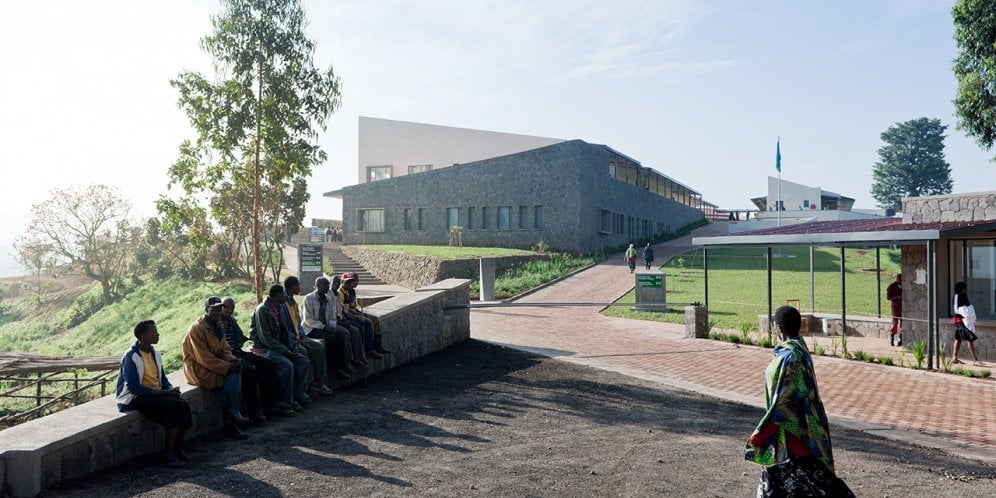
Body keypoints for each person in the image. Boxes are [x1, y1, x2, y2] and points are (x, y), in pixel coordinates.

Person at [745, 306, 852, 496]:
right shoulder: (799, 350)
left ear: (778, 327)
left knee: (804, 485)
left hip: (797, 432)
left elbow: (785, 402)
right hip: (808, 427)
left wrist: (762, 433)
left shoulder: (790, 357)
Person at [116, 320, 193, 467]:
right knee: (174, 407)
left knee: (183, 404)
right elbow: (133, 388)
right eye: (154, 332)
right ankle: (169, 454)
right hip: (135, 397)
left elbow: (162, 378)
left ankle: (177, 448)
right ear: (143, 336)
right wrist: (164, 393)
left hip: (154, 393)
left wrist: (171, 389)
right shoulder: (131, 356)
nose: (157, 334)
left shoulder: (155, 353)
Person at [181, 296, 249, 440]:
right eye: (215, 309)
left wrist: (233, 360)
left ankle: (233, 417)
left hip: (215, 364)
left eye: (220, 309)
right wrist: (227, 366)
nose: (218, 312)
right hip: (199, 368)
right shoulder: (197, 329)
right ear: (206, 310)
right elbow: (203, 357)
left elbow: (225, 349)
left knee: (239, 371)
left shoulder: (218, 326)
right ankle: (233, 418)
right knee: (227, 385)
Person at [249, 284, 311, 416]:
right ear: (277, 295)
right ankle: (284, 402)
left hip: (279, 347)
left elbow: (285, 332)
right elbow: (265, 338)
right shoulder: (262, 310)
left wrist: (292, 348)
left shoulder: (280, 308)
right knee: (287, 365)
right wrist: (285, 351)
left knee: (303, 361)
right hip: (263, 349)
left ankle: (296, 396)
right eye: (283, 294)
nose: (285, 296)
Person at [219, 296, 279, 423]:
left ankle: (273, 402)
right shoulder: (217, 324)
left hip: (238, 351)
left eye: (232, 307)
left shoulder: (231, 321)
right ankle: (254, 412)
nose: (229, 310)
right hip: (227, 356)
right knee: (248, 370)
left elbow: (238, 339)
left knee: (266, 363)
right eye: (226, 307)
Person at [283, 275, 335, 395]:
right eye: (298, 285)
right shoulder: (284, 304)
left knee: (319, 347)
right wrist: (298, 339)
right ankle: (301, 390)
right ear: (292, 287)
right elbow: (285, 328)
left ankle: (318, 382)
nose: (299, 287)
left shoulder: (293, 302)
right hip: (290, 339)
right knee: (304, 354)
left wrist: (301, 336)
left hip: (300, 336)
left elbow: (298, 324)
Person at [339, 271, 391, 355]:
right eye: (353, 281)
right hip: (350, 315)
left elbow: (353, 306)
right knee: (368, 322)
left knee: (375, 320)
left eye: (354, 280)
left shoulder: (351, 291)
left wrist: (360, 313)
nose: (355, 282)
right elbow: (345, 310)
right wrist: (357, 316)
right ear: (342, 282)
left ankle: (378, 347)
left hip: (355, 312)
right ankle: (370, 350)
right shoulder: (341, 292)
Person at [331, 274, 379, 361]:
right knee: (361, 326)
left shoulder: (348, 292)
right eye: (347, 282)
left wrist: (357, 315)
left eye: (351, 281)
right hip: (339, 320)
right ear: (342, 282)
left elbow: (346, 309)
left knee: (371, 321)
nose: (350, 283)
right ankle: (360, 356)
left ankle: (372, 349)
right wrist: (354, 317)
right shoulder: (339, 294)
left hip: (347, 316)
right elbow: (343, 311)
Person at [952, 282, 984, 366]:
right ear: (961, 288)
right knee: (970, 338)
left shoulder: (963, 296)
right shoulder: (957, 296)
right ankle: (975, 360)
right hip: (960, 320)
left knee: (959, 338)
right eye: (965, 287)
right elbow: (956, 309)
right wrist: (964, 316)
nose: (966, 289)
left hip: (965, 320)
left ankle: (954, 358)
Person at [886, 274, 902, 347]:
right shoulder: (892, 287)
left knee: (902, 324)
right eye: (899, 279)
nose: (900, 280)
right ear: (897, 279)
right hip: (895, 307)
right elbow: (888, 297)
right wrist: (896, 298)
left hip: (903, 308)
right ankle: (891, 338)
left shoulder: (905, 286)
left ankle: (901, 339)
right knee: (895, 323)